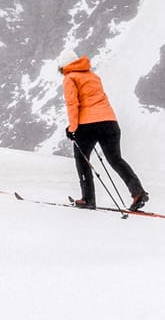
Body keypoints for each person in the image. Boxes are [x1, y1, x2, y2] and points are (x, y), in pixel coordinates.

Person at [57, 49, 149, 211]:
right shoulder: (93, 76)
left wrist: (72, 129)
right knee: (115, 159)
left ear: (63, 66)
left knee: (82, 160)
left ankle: (88, 199)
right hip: (109, 122)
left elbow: (73, 104)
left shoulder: (70, 78)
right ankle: (137, 192)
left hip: (87, 125)